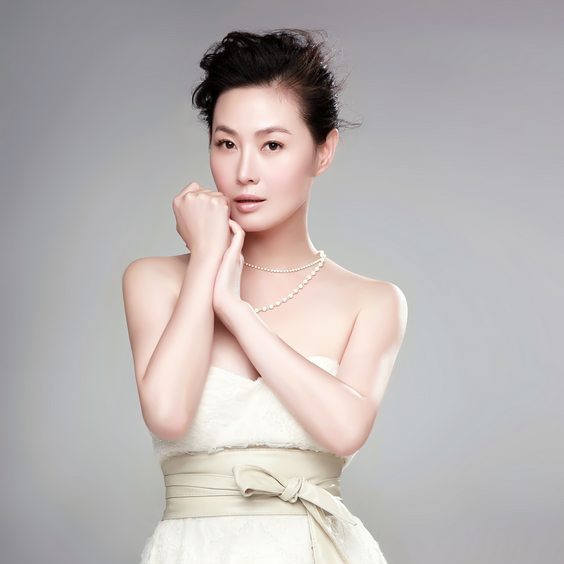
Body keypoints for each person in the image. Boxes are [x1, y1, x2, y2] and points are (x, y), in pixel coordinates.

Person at [122, 28, 408, 564]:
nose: (244, 172)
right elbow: (168, 414)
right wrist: (207, 262)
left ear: (323, 151)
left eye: (272, 145)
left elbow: (345, 431)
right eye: (226, 144)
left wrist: (234, 310)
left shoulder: (373, 301)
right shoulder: (154, 280)